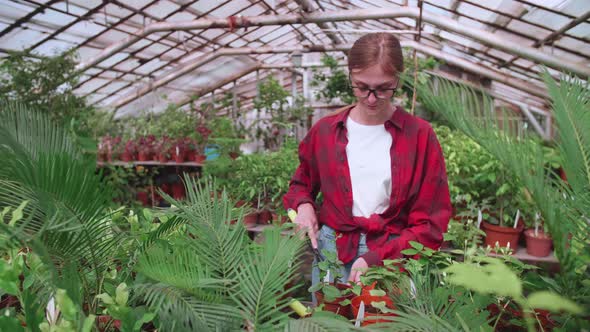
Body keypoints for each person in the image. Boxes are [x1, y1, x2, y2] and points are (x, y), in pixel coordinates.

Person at [282, 33, 452, 289]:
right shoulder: (326, 131)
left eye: (383, 88)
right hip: (332, 251)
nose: (371, 98)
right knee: (329, 324)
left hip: (393, 254)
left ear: (398, 78)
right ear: (350, 75)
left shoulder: (419, 136)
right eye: (362, 87)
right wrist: (304, 206)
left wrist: (378, 258)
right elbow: (301, 184)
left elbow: (430, 221)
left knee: (384, 325)